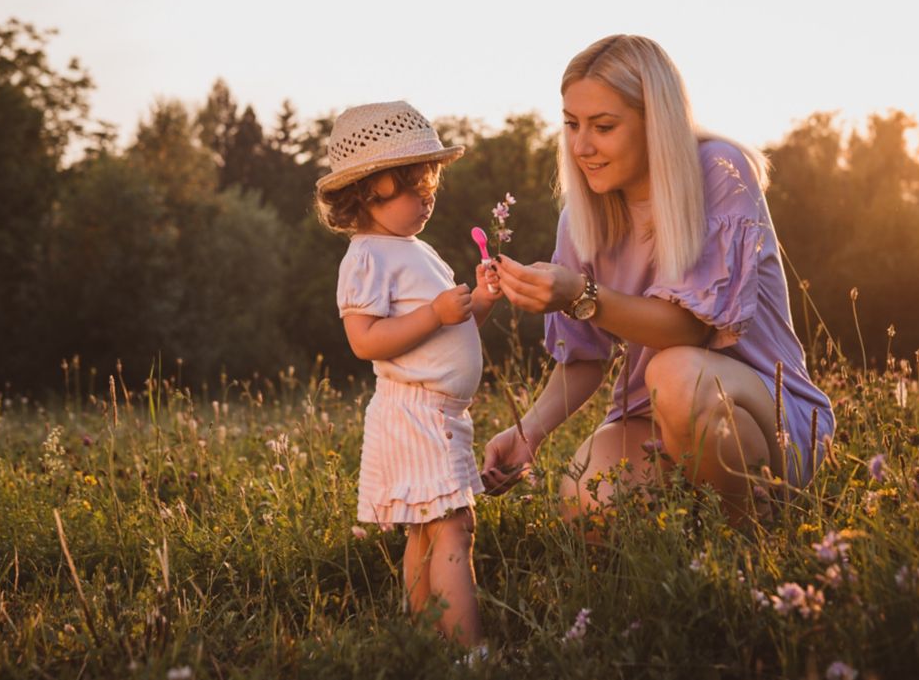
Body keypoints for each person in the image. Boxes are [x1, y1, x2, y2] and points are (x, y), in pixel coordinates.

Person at [480, 35, 834, 525]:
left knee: (676, 374)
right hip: (650, 418)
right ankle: (692, 525)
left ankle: (750, 538)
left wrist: (578, 295)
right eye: (571, 124)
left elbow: (690, 331)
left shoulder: (719, 171)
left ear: (656, 123)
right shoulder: (582, 220)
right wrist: (527, 433)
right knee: (586, 499)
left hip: (764, 413)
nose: (582, 146)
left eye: (603, 126)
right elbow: (585, 357)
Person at [315, 101, 501, 653]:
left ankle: (425, 641)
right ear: (366, 192)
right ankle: (469, 653)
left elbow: (453, 327)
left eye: (430, 187)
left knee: (429, 530)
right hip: (416, 411)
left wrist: (481, 299)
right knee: (453, 528)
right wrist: (435, 313)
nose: (426, 198)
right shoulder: (367, 256)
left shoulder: (413, 250)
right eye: (410, 187)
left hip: (435, 413)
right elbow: (364, 340)